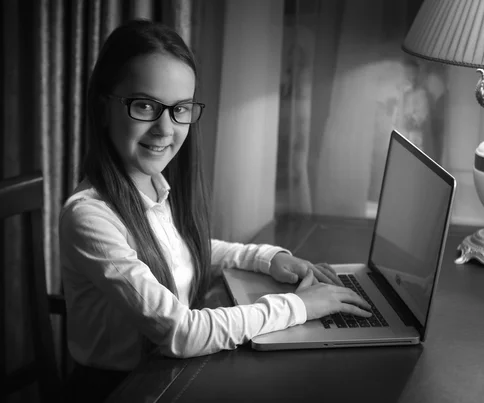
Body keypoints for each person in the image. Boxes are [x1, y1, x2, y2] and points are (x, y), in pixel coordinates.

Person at [59, 19, 372, 401]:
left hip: (165, 375)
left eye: (180, 109)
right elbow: (182, 331)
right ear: (104, 106)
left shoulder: (153, 186)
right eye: (144, 105)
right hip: (119, 390)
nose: (165, 128)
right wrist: (298, 306)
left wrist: (267, 258)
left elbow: (183, 254)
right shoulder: (89, 216)